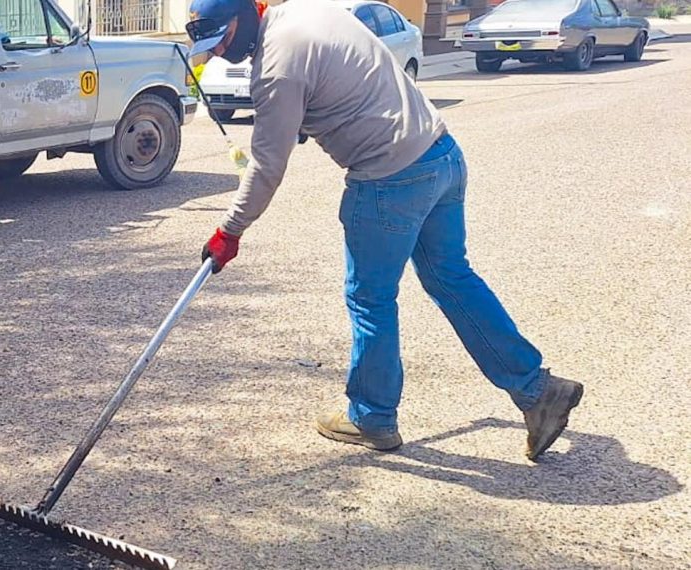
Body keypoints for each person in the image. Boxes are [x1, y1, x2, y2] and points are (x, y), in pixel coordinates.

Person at [188, 0, 583, 460]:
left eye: (223, 41)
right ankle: (537, 390)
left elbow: (267, 167)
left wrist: (230, 231)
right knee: (452, 280)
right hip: (441, 156)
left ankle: (372, 417)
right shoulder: (306, 12)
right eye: (210, 48)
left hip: (390, 179)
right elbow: (343, 81)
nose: (218, 53)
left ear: (245, 15)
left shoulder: (277, 67)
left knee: (371, 298)